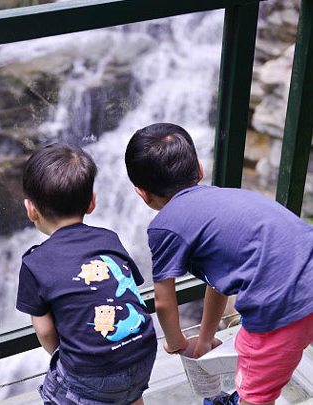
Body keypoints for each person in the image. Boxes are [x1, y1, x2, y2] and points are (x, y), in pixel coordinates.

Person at [124, 123, 313, 405]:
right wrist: (204, 338)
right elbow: (219, 281)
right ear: (199, 170)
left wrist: (176, 343)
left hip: (280, 305)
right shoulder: (225, 199)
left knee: (255, 391)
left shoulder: (164, 227)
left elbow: (163, 301)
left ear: (142, 193)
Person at [16, 143, 157, 405]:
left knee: (59, 392)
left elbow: (46, 331)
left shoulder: (34, 263)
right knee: (127, 391)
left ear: (30, 209)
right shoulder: (109, 238)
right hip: (145, 352)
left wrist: (67, 354)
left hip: (91, 374)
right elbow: (126, 291)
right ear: (92, 202)